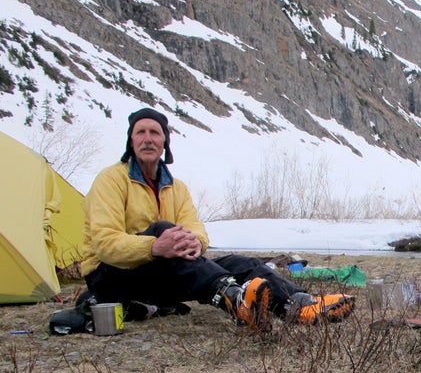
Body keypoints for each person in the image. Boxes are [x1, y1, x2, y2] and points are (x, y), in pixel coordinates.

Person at [80, 107, 354, 331]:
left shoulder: (177, 187)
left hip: (159, 272)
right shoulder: (111, 180)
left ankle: (298, 304)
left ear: (165, 142)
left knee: (241, 263)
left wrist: (195, 244)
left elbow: (197, 231)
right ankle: (236, 301)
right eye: (140, 133)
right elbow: (105, 244)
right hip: (111, 276)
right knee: (165, 231)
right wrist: (154, 247)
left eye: (155, 132)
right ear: (131, 140)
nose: (147, 138)